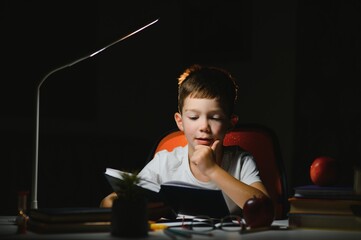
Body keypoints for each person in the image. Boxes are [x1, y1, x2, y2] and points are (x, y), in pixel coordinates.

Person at [100, 64, 269, 215]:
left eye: (215, 117)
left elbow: (266, 208)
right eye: (194, 117)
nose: (204, 126)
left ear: (230, 123)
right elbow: (109, 202)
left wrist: (211, 169)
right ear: (180, 121)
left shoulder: (241, 162)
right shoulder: (165, 162)